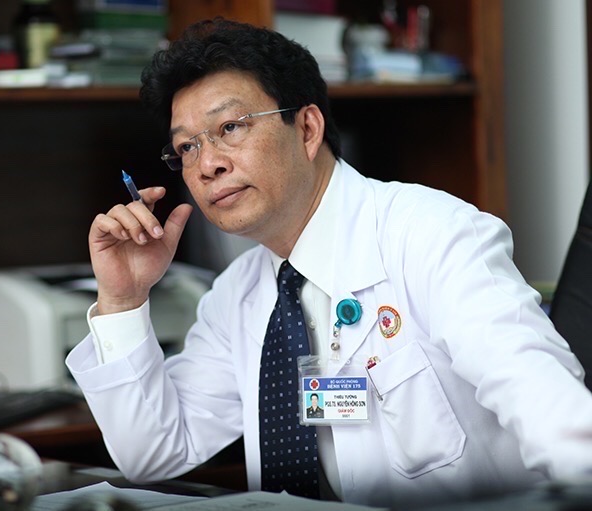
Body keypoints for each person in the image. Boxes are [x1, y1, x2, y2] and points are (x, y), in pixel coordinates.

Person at [66, 17, 592, 509]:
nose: (207, 165)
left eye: (230, 127)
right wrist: (123, 300)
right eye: (187, 147)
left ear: (307, 129)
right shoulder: (237, 295)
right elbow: (154, 453)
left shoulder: (431, 235)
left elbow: (551, 414)